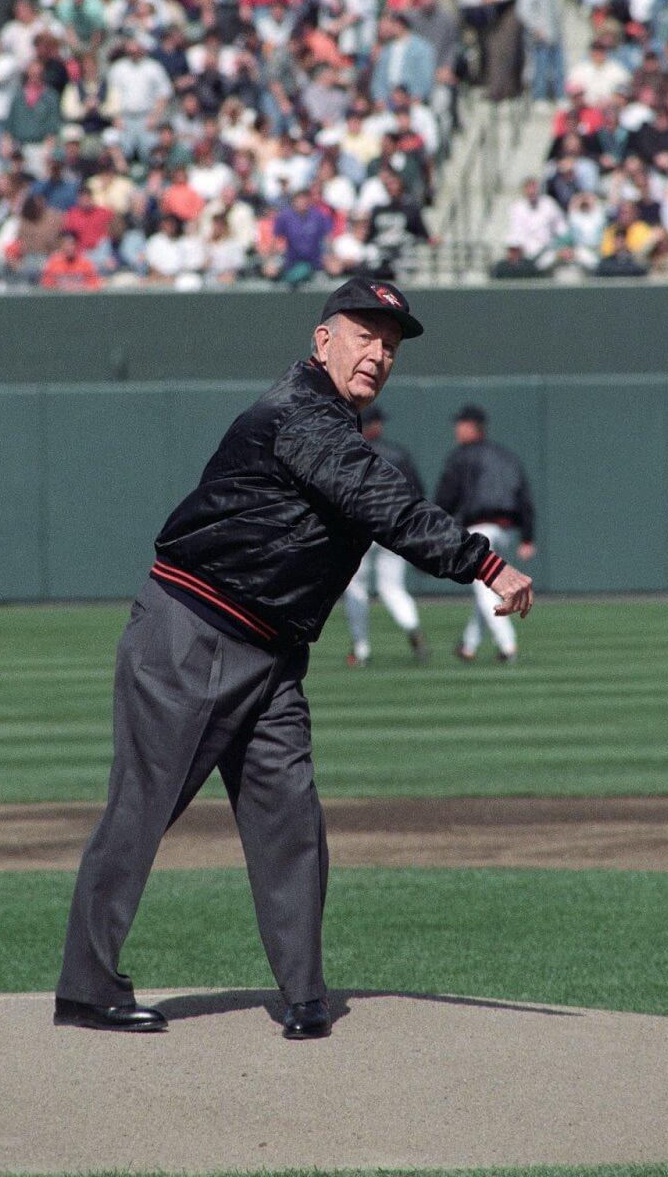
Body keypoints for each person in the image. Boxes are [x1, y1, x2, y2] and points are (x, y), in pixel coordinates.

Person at [54, 279, 533, 1041]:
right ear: (322, 341)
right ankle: (85, 986)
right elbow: (381, 502)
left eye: (390, 343)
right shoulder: (299, 412)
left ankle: (303, 992)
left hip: (273, 654)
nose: (377, 352)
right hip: (193, 629)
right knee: (141, 811)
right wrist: (483, 561)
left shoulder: (332, 422)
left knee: (290, 823)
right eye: (364, 333)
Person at [434, 404, 536, 663]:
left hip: (480, 529)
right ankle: (469, 645)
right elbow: (524, 498)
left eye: (460, 424)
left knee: (484, 587)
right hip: (506, 530)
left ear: (470, 426)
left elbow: (447, 497)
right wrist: (527, 536)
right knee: (486, 584)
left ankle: (507, 645)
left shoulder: (462, 457)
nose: (456, 429)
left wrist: (434, 529)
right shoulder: (507, 457)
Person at [341, 406, 431, 667]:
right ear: (377, 425)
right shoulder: (399, 454)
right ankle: (412, 627)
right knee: (392, 587)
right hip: (393, 528)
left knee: (356, 588)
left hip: (360, 529)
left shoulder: (349, 453)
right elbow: (417, 494)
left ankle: (361, 649)